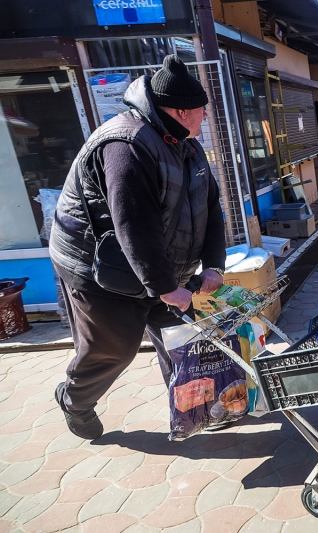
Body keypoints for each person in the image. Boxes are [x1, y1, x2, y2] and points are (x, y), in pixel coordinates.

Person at [49, 55, 226, 440]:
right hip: (101, 269)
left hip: (157, 265)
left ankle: (191, 411)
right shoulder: (126, 145)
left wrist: (213, 264)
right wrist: (166, 287)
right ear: (181, 111)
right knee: (113, 350)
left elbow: (210, 205)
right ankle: (75, 401)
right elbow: (133, 224)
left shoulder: (187, 145)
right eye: (202, 110)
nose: (206, 118)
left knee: (181, 343)